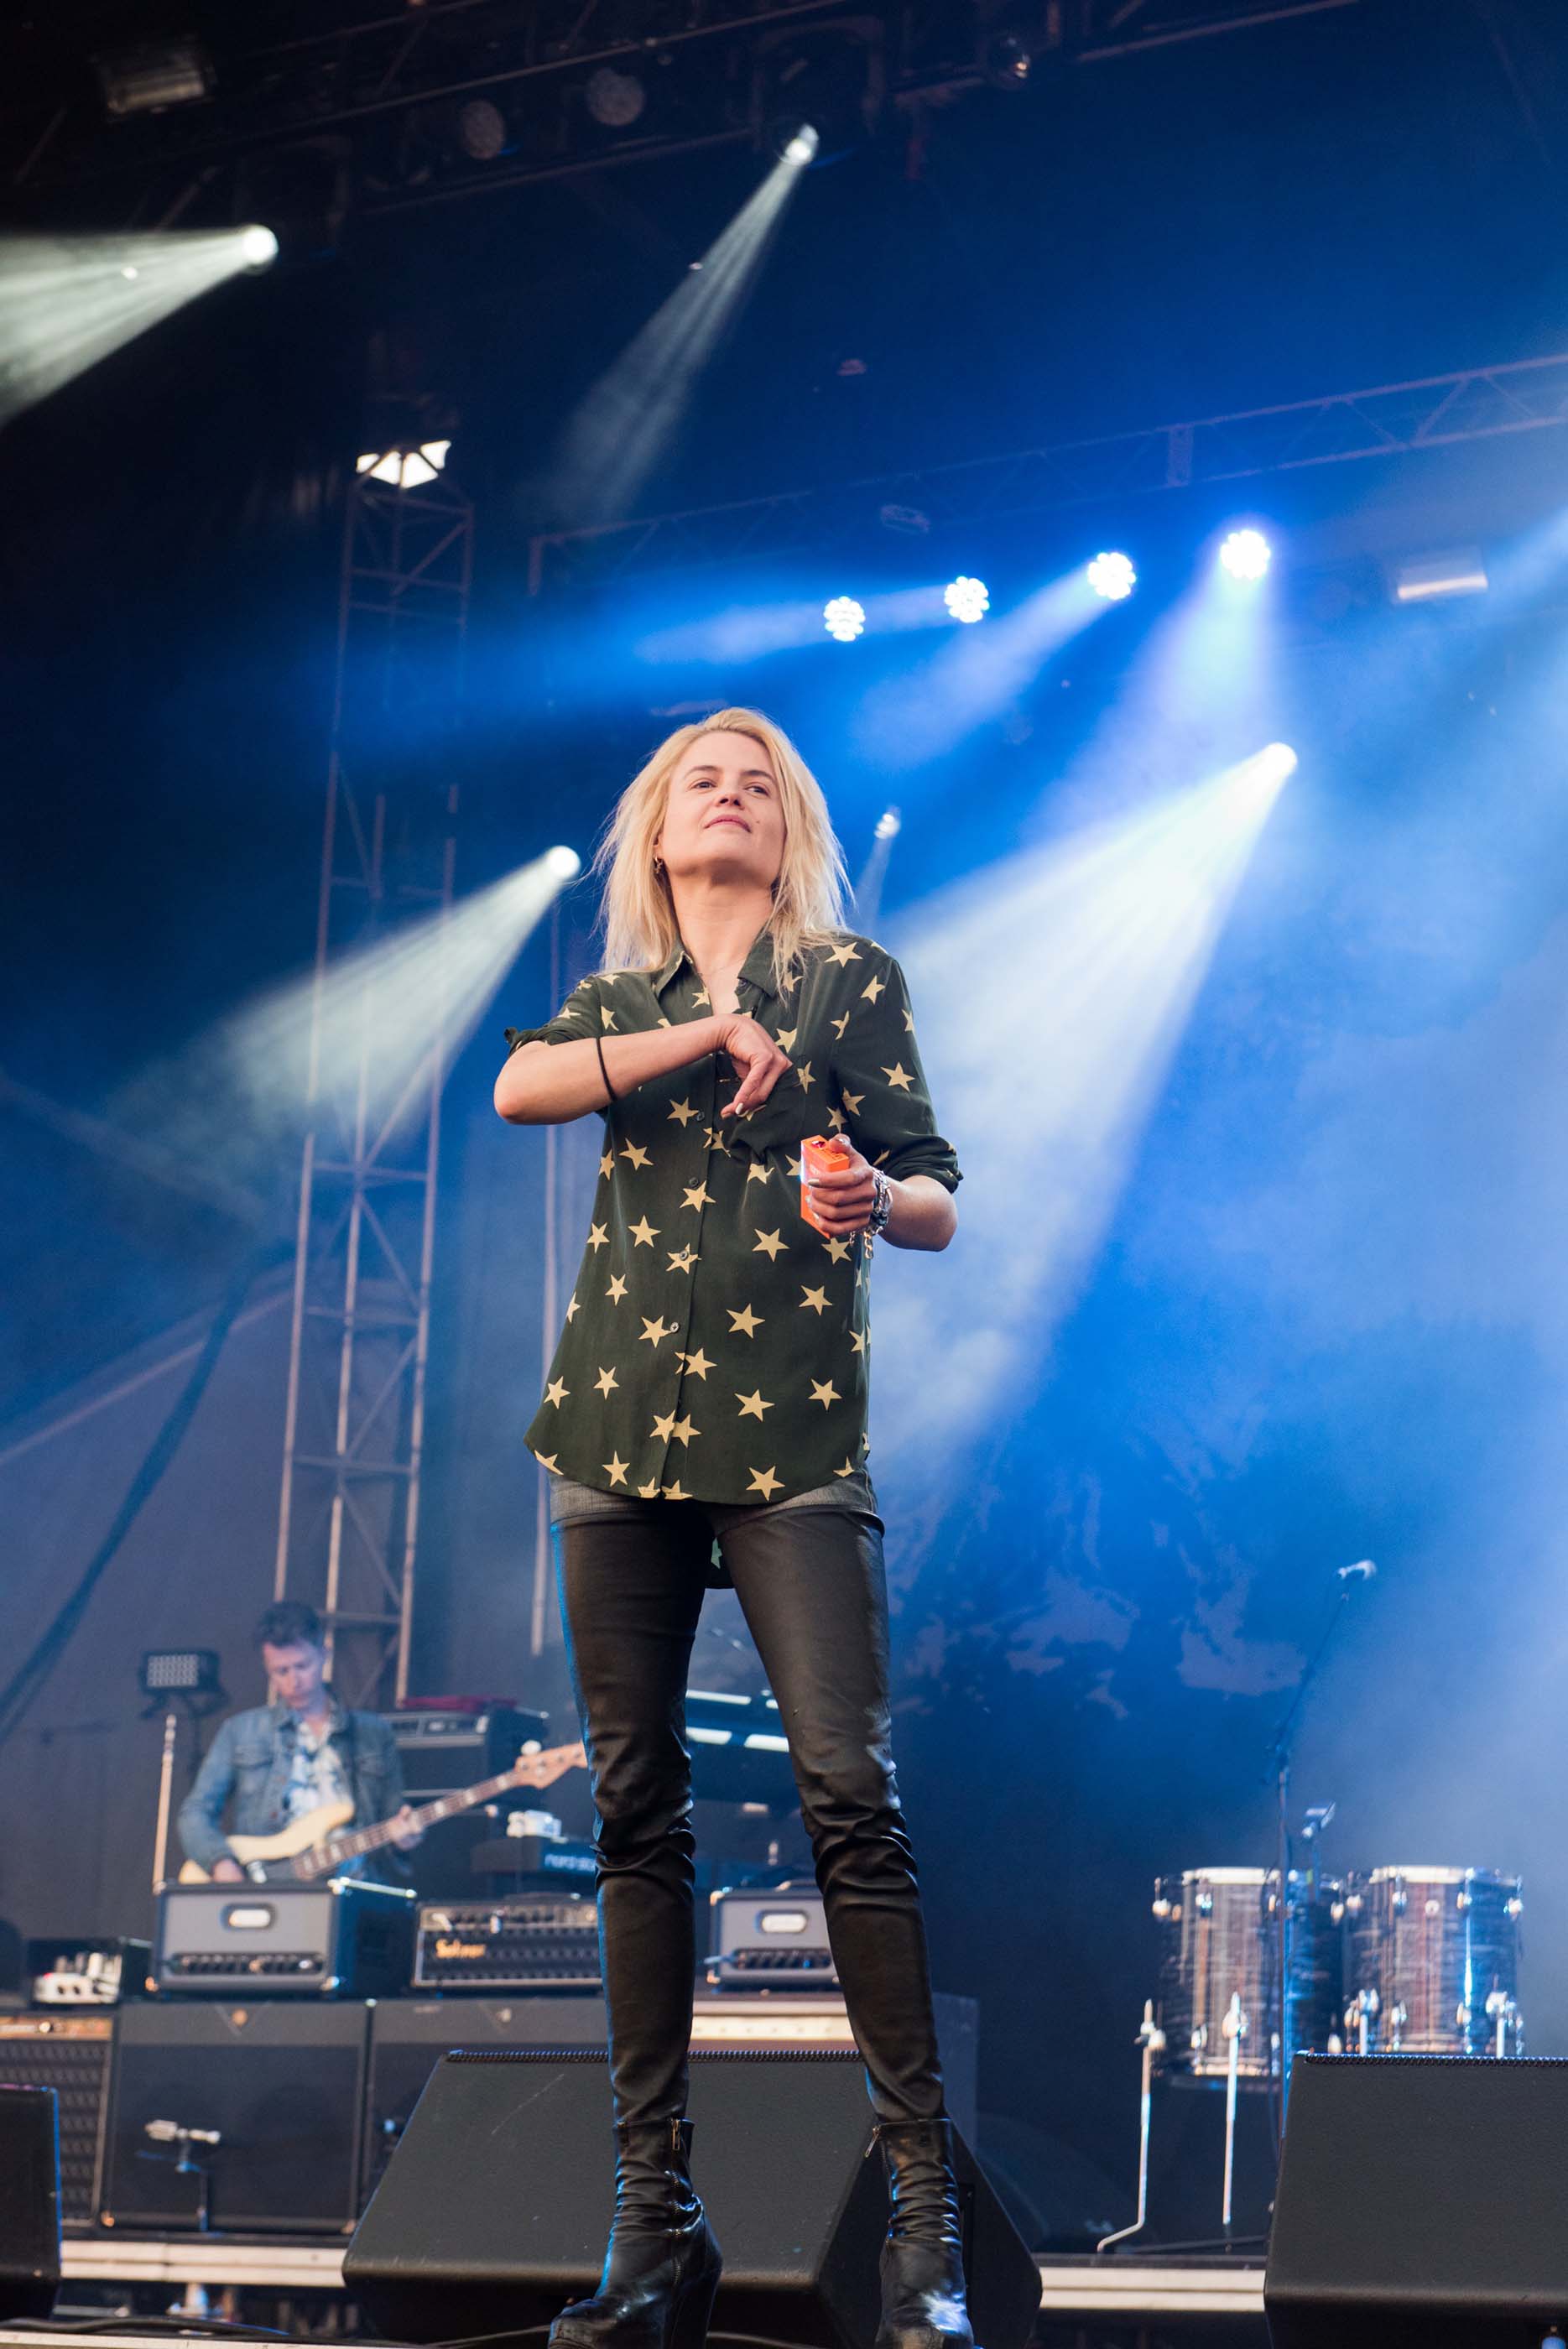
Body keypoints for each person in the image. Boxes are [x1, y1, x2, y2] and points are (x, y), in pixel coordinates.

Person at [494, 709, 968, 2349]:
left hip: (789, 1435)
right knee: (637, 1812)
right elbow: (515, 1085)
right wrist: (702, 1042)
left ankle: (921, 2220)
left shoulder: (848, 982)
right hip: (616, 1433)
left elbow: (932, 1193)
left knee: (848, 1788)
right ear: (655, 824)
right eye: (705, 774)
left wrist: (865, 1199)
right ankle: (656, 2221)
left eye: (761, 780)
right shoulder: (620, 1002)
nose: (734, 791)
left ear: (790, 830)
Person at [177, 1600, 420, 1883]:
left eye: (302, 1666)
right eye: (281, 1671)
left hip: (353, 1882)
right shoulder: (241, 1731)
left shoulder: (373, 1733)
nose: (294, 1680)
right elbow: (195, 1813)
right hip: (268, 1883)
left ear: (323, 1655)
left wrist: (404, 1839)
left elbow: (393, 1822)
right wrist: (221, 1863)